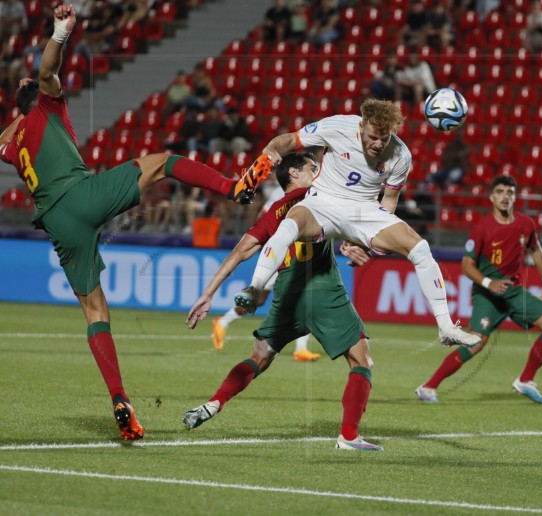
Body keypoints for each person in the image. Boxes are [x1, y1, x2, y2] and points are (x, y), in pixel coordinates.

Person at [0, 4, 271, 442]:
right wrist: (60, 33)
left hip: (55, 223)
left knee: (94, 312)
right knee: (162, 162)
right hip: (80, 196)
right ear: (37, 94)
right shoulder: (47, 106)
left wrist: (16, 111)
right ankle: (233, 188)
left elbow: (8, 131)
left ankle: (120, 398)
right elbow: (47, 67)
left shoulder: (11, 145)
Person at [236, 99, 480, 348]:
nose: (378, 144)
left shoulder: (400, 155)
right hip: (323, 202)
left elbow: (390, 200)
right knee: (287, 227)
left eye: (384, 139)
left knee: (420, 248)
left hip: (365, 210)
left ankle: (446, 327)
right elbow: (286, 141)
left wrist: (366, 243)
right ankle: (255, 288)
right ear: (362, 125)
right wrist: (270, 151)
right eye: (373, 136)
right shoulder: (337, 127)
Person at [184, 152, 382, 451]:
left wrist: (207, 293)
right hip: (322, 288)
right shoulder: (318, 192)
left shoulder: (275, 210)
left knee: (259, 356)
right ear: (293, 174)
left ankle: (214, 403)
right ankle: (349, 436)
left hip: (287, 292)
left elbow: (240, 251)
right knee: (361, 360)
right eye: (311, 169)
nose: (317, 173)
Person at [415, 175, 542, 404]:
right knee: (476, 343)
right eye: (501, 192)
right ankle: (428, 387)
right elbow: (466, 265)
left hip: (513, 291)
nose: (506, 196)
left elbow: (535, 250)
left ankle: (525, 381)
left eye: (510, 192)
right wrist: (488, 283)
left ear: (515, 196)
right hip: (487, 294)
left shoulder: (526, 224)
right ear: (492, 197)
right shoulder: (482, 228)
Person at [211, 174, 320, 362]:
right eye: (308, 169)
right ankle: (300, 349)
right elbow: (266, 218)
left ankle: (223, 322)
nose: (311, 174)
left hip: (292, 249)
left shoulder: (305, 191)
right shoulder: (283, 194)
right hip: (282, 252)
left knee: (261, 300)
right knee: (303, 296)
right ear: (293, 173)